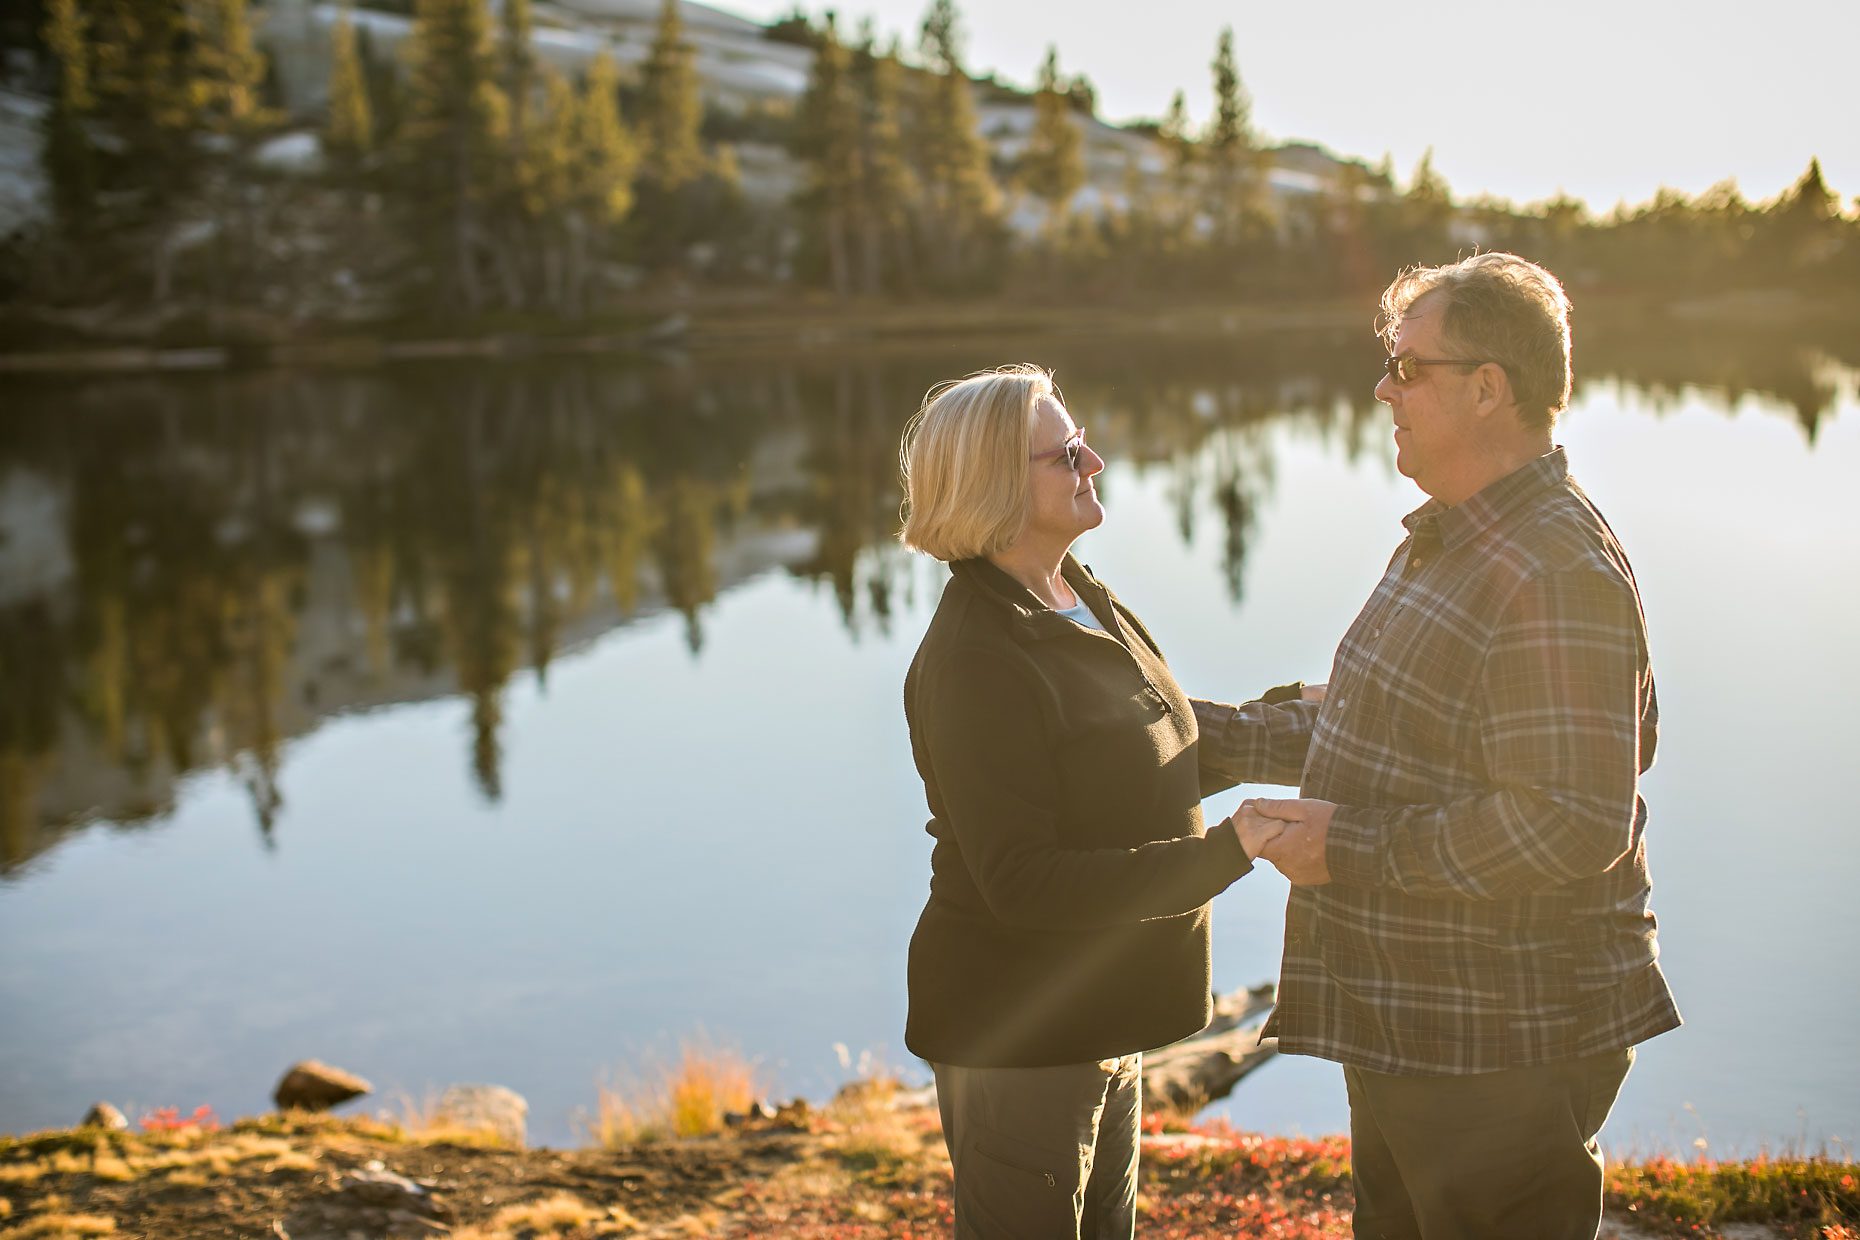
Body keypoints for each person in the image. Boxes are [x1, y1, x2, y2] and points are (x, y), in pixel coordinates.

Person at [1199, 253, 1681, 1240]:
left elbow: (1571, 819)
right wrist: (1193, 736)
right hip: (1417, 1023)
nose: (1383, 387)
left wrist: (1349, 847)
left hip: (1500, 1040)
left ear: (1488, 388)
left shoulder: (1555, 568)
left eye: (1408, 366)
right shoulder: (1456, 534)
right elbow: (1376, 719)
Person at [897, 364, 1296, 1240]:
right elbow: (1026, 883)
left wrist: (1311, 716)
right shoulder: (977, 658)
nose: (1097, 462)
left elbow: (1154, 744)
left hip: (1100, 1017)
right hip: (1020, 1037)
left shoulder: (1076, 596)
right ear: (998, 483)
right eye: (1067, 454)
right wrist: (1234, 848)